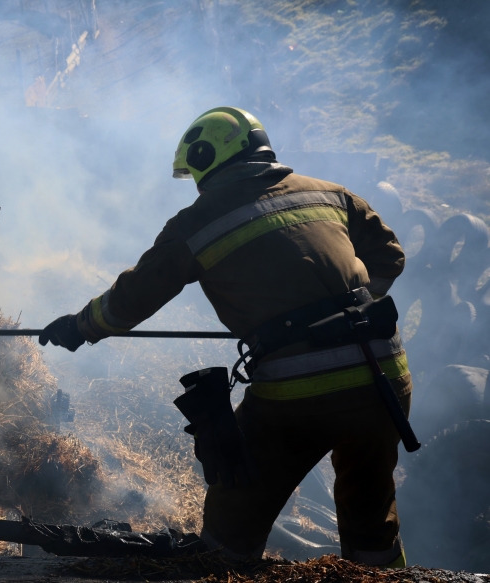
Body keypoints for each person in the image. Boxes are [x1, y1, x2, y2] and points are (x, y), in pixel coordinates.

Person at [38, 107, 410, 568]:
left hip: (298, 392)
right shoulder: (330, 194)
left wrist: (80, 326)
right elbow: (390, 256)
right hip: (384, 380)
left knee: (231, 526)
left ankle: (224, 569)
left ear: (203, 160)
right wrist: (339, 309)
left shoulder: (196, 223)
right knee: (372, 525)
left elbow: (134, 297)